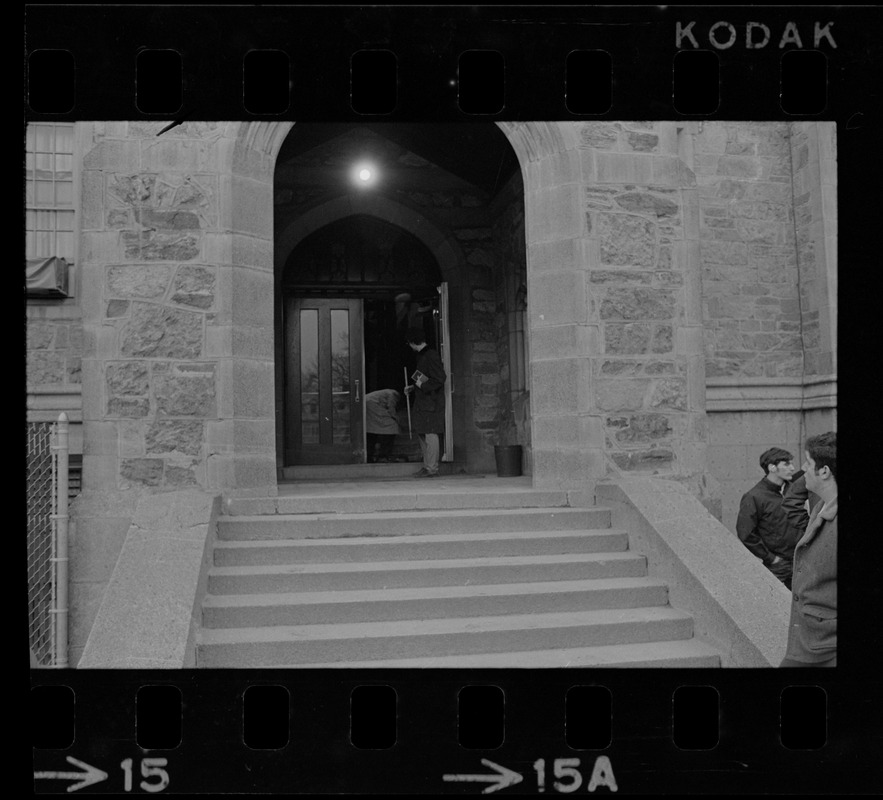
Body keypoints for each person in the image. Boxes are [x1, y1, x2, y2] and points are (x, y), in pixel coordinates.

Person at [780, 432, 837, 667]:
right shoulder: (820, 508)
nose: (802, 468)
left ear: (823, 471)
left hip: (825, 648)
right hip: (807, 643)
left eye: (807, 463)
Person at [736, 447, 799, 589]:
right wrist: (771, 558)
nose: (793, 468)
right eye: (787, 464)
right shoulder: (754, 497)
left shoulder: (795, 490)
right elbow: (745, 534)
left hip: (801, 562)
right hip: (778, 566)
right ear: (772, 467)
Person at [404, 327, 446, 478]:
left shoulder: (431, 355)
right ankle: (428, 466)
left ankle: (432, 468)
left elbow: (440, 379)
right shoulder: (423, 356)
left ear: (413, 342)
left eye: (409, 343)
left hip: (431, 402)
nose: (409, 346)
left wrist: (422, 385)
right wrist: (414, 387)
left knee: (430, 433)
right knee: (422, 432)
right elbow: (426, 378)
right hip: (423, 402)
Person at [364, 388, 401, 463]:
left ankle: (370, 456)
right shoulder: (393, 394)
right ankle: (384, 455)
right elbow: (391, 408)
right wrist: (396, 419)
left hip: (368, 404)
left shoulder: (384, 393)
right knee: (392, 425)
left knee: (371, 430)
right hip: (371, 404)